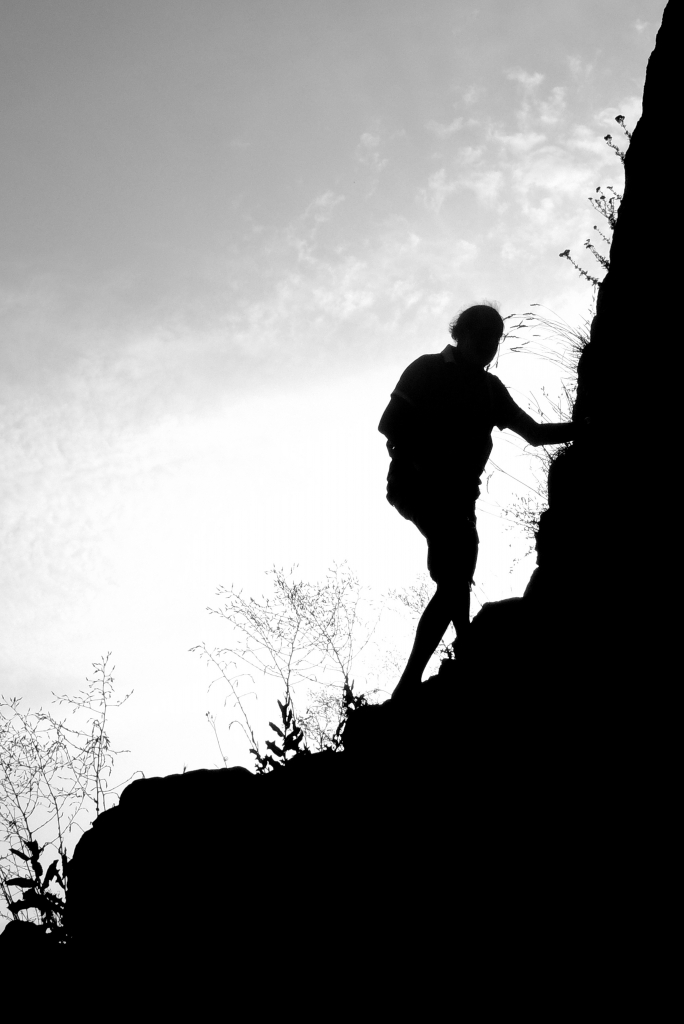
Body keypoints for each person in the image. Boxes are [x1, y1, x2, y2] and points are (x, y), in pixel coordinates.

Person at [379, 303, 580, 700]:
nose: (489, 347)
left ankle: (454, 655)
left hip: (459, 500)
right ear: (461, 334)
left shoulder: (491, 390)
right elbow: (391, 427)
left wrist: (584, 430)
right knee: (455, 570)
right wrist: (423, 465)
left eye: (495, 340)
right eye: (482, 337)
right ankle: (450, 657)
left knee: (456, 576)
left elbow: (534, 433)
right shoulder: (426, 369)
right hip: (416, 488)